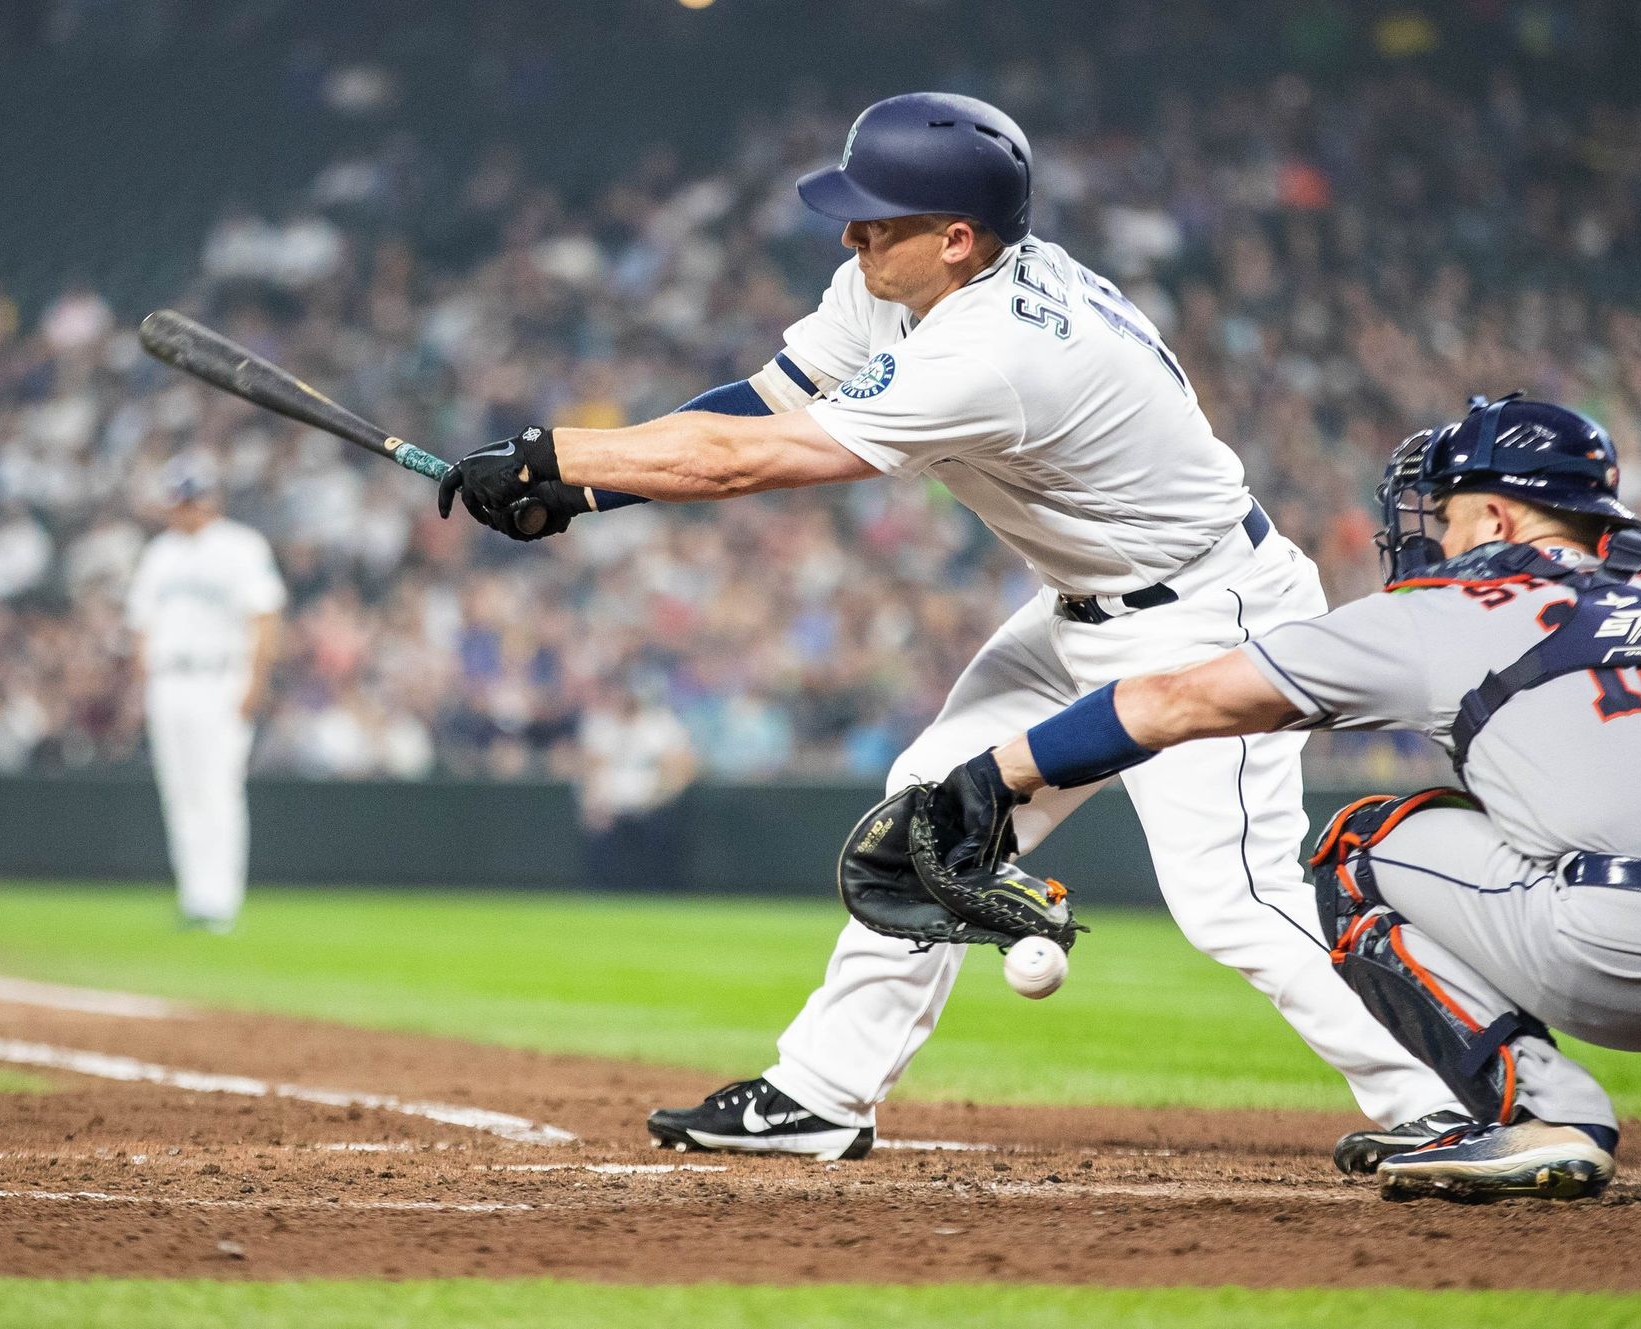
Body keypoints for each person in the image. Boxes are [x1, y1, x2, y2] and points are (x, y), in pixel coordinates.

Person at [437, 91, 1460, 1158]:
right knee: (928, 819)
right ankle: (822, 1093)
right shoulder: (903, 280)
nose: (851, 233)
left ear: (957, 239)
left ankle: (1463, 1099)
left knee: (1231, 897)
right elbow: (763, 405)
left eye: (877, 217)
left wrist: (554, 453)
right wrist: (585, 488)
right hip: (1082, 609)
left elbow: (748, 465)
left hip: (1208, 613)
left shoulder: (998, 351)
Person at [927, 395, 1641, 1205]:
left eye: (1441, 513)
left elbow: (1170, 700)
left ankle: (1541, 1111)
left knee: (1354, 846)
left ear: (1495, 511)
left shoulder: (1432, 615)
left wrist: (991, 778)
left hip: (1618, 961)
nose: (1432, 534)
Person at [126, 453, 285, 932]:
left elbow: (265, 617)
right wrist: (144, 684)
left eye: (189, 499)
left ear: (207, 499)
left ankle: (219, 900)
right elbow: (141, 626)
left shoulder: (241, 546)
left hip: (220, 677)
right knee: (180, 792)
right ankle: (194, 894)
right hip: (169, 680)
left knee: (218, 790)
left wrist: (254, 683)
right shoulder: (160, 553)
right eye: (178, 500)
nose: (182, 509)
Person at [577, 679, 698, 891]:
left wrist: (662, 794)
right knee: (605, 861)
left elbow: (681, 767)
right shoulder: (601, 725)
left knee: (659, 855)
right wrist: (593, 803)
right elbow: (590, 769)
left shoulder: (661, 725)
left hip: (653, 806)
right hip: (612, 806)